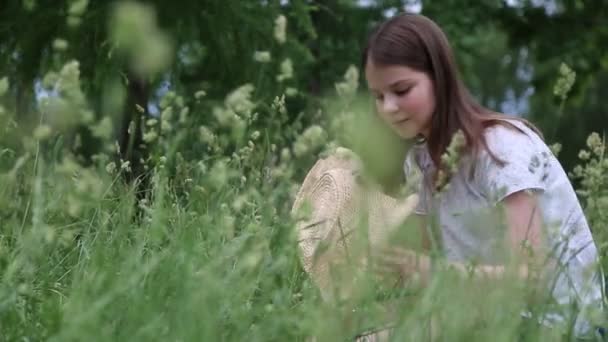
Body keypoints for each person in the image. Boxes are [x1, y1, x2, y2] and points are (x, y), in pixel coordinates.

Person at [362, 13, 604, 338]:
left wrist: (428, 274)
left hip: (562, 327)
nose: (388, 107)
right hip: (485, 322)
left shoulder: (502, 148)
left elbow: (533, 281)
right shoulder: (419, 163)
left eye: (401, 90)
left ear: (440, 77)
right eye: (378, 96)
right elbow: (421, 280)